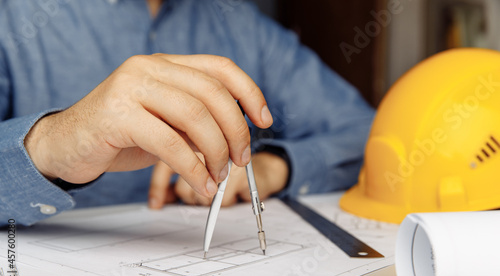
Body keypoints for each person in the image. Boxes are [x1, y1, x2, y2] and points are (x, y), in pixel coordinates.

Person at [0, 0, 375, 226]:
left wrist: (274, 166)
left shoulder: (240, 23)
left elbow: (370, 134)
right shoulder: (13, 18)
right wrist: (50, 144)